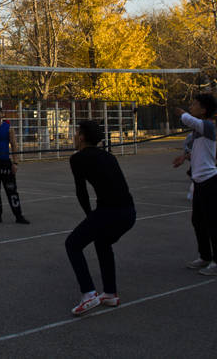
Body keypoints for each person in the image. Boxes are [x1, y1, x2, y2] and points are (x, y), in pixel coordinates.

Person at [66, 119, 136, 315]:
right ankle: (110, 293)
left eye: (76, 132)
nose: (74, 136)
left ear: (81, 137)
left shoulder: (77, 158)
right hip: (128, 212)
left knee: (72, 244)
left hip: (110, 212)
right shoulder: (108, 156)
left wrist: (90, 217)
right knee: (102, 242)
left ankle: (89, 293)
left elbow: (81, 192)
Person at [172, 93, 217, 275]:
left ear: (203, 110)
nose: (191, 106)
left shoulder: (207, 126)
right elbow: (199, 151)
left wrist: (182, 114)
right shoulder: (199, 131)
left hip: (209, 181)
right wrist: (184, 157)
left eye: (194, 104)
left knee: (212, 223)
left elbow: (191, 121)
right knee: (198, 221)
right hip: (199, 182)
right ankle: (205, 256)